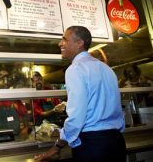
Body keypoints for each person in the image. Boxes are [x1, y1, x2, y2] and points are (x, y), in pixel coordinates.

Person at [34, 26, 126, 162]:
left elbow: (77, 117)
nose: (60, 43)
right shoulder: (107, 69)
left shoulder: (75, 69)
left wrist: (57, 146)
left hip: (93, 146)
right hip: (116, 142)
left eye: (64, 39)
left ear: (79, 43)